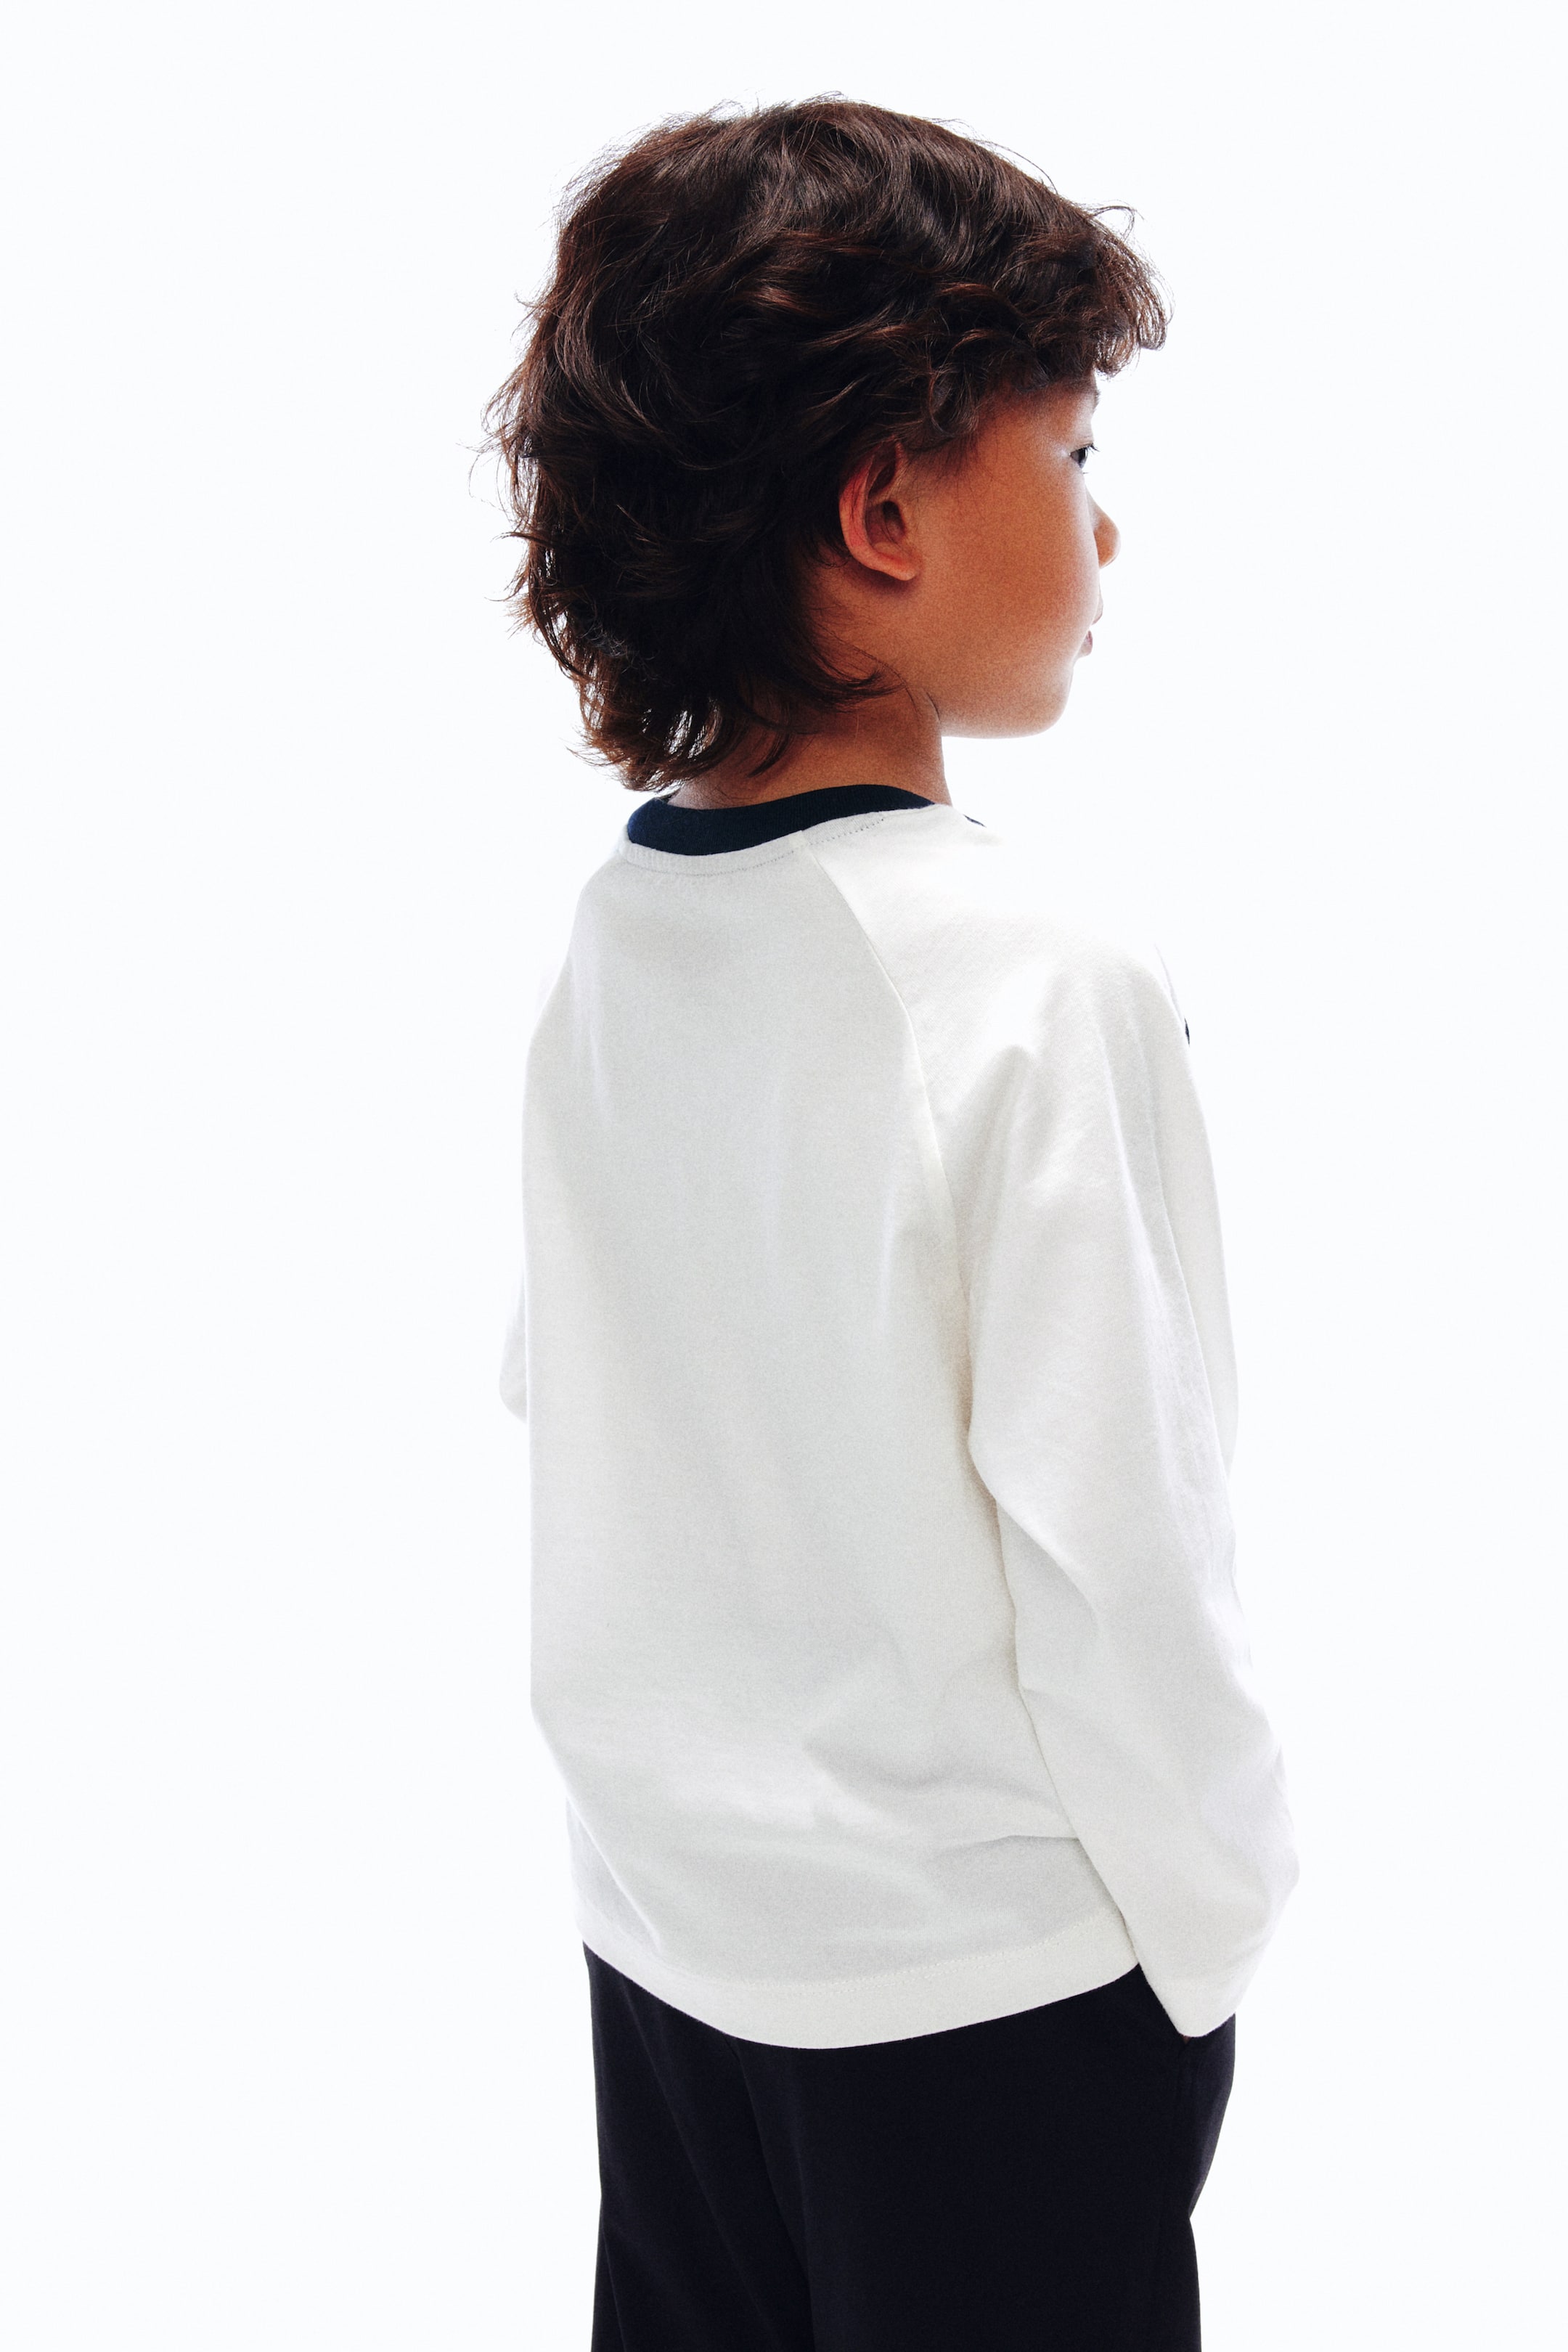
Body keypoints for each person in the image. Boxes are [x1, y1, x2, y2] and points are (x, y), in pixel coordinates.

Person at [489, 97, 1297, 2352]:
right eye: (1069, 453)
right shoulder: (1034, 983)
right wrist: (1217, 1917)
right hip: (992, 2008)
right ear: (884, 512)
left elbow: (584, 1410)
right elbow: (1122, 1544)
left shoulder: (625, 938)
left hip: (674, 1954)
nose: (1105, 524)